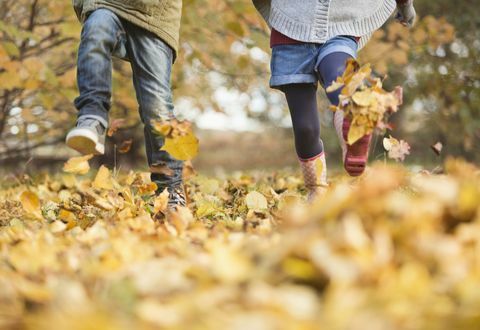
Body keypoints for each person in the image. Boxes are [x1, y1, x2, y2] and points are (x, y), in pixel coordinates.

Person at [252, 0, 416, 200]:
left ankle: (354, 118)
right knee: (306, 129)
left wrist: (405, 5)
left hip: (341, 22)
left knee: (339, 73)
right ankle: (316, 188)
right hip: (291, 29)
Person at [66, 0, 185, 207]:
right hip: (108, 4)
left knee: (157, 109)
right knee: (96, 30)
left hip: (155, 17)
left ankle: (170, 189)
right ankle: (92, 117)